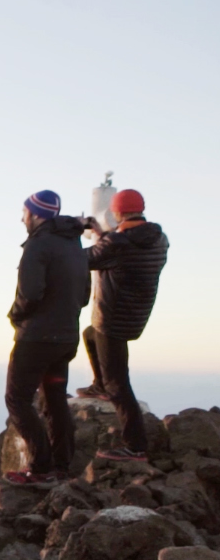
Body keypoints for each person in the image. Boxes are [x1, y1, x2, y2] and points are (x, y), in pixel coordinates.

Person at [74, 189, 169, 461]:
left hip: (112, 317)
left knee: (119, 384)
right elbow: (115, 249)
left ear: (116, 212)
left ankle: (135, 446)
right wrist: (103, 234)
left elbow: (84, 259)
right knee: (89, 334)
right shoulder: (159, 239)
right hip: (136, 313)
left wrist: (75, 234)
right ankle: (99, 385)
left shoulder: (118, 243)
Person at [3, 190, 90, 485]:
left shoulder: (38, 246)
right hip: (66, 339)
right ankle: (62, 465)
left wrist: (16, 316)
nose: (21, 218)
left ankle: (40, 468)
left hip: (37, 339)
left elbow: (30, 293)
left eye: (24, 212)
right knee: (54, 399)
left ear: (35, 214)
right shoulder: (73, 245)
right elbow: (85, 295)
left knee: (17, 400)